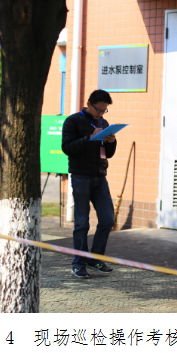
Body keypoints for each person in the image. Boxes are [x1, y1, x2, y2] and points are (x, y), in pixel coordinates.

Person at [62, 89, 117, 278]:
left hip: (100, 177)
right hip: (81, 177)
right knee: (82, 223)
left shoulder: (104, 123)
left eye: (104, 110)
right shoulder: (73, 121)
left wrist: (111, 141)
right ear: (88, 104)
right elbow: (67, 148)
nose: (101, 113)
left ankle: (95, 259)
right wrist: (90, 138)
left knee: (107, 220)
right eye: (98, 109)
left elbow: (108, 153)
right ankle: (79, 263)